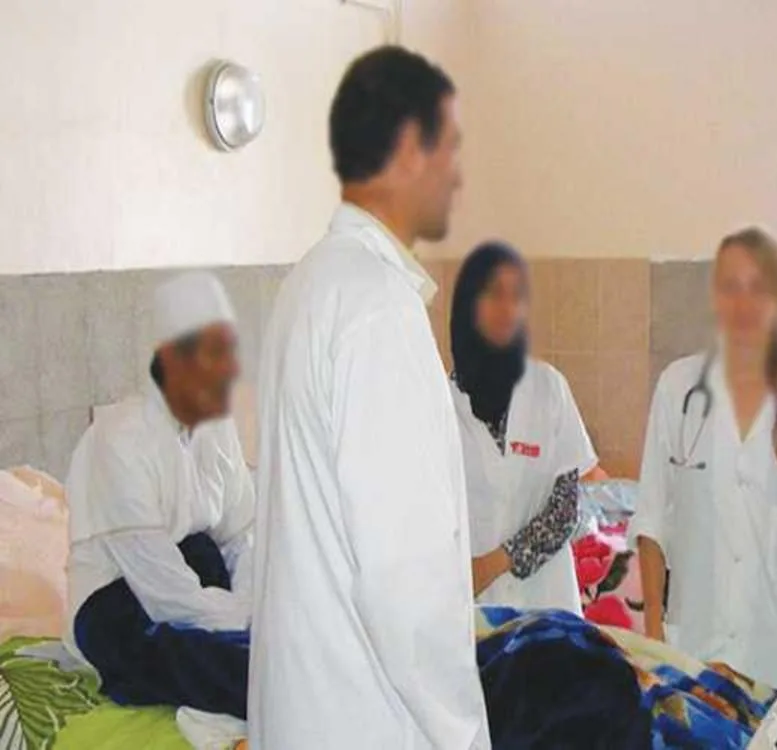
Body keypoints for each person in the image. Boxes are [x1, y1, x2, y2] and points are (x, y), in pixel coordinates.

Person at [250, 46, 489, 749]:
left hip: (309, 712)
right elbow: (405, 579)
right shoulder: (376, 306)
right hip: (368, 719)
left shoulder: (311, 284)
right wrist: (465, 734)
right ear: (410, 150)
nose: (458, 175)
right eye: (450, 148)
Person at [631, 227, 777, 690]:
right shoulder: (679, 388)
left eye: (757, 288)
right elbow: (651, 520)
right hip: (692, 650)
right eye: (730, 287)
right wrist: (655, 636)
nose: (743, 304)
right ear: (714, 297)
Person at [65, 271, 253, 720]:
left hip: (193, 581)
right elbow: (162, 593)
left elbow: (242, 534)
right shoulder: (120, 438)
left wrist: (253, 608)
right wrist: (249, 619)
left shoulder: (218, 428)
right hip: (117, 600)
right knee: (239, 671)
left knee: (206, 551)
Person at [449, 241, 598, 612]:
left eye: (516, 296)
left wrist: (492, 564)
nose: (507, 308)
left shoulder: (548, 388)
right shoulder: (441, 402)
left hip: (546, 606)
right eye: (493, 294)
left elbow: (565, 511)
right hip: (469, 612)